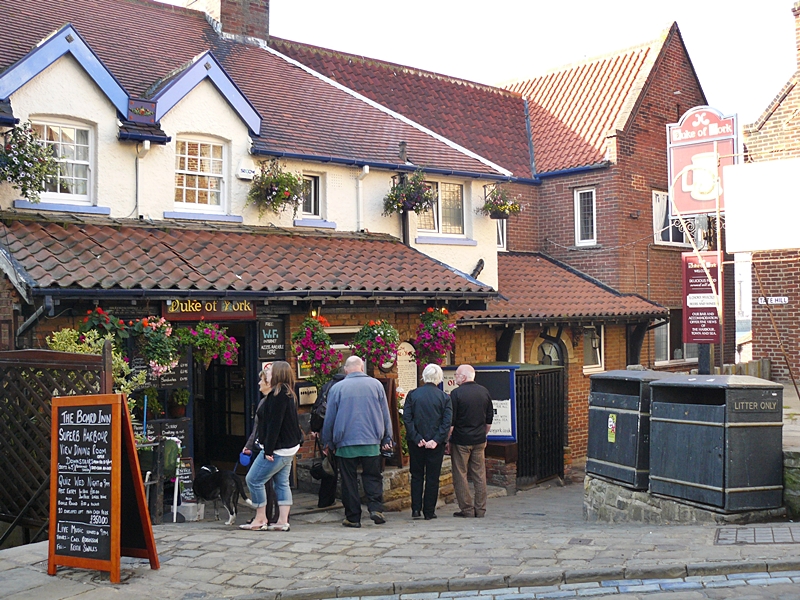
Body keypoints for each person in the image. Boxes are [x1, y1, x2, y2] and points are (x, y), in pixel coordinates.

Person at [321, 355, 393, 528]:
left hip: (346, 443)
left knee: (349, 481)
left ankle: (353, 517)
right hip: (372, 442)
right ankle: (376, 508)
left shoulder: (337, 388)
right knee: (373, 476)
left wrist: (328, 441)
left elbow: (329, 418)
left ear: (346, 370)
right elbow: (385, 414)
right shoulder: (376, 385)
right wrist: (387, 437)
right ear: (362, 368)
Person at [241, 361, 303, 531]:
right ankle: (282, 522)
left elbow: (275, 424)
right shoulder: (286, 392)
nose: (266, 375)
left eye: (269, 372)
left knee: (253, 480)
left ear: (278, 375)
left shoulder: (279, 394)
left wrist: (268, 449)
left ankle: (260, 518)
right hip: (287, 447)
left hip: (278, 448)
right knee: (281, 483)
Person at [403, 363, 452, 520]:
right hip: (435, 444)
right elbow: (446, 422)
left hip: (416, 442)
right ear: (439, 378)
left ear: (423, 376)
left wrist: (417, 437)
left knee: (416, 475)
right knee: (432, 477)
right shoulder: (444, 397)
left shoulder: (412, 395)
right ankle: (429, 511)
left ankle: (416, 509)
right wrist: (436, 440)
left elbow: (407, 419)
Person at [448, 364, 493, 518]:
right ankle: (480, 509)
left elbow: (451, 423)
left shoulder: (456, 394)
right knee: (479, 474)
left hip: (461, 440)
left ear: (464, 377)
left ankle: (467, 509)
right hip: (480, 439)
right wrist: (483, 434)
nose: (455, 377)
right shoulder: (484, 392)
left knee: (460, 474)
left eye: (457, 375)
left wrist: (448, 440)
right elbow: (489, 420)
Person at [241, 363, 278, 524]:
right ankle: (270, 516)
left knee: (259, 481)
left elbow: (269, 427)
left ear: (269, 383)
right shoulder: (265, 401)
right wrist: (249, 446)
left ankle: (266, 516)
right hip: (264, 446)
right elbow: (257, 428)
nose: (258, 383)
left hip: (269, 448)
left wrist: (268, 448)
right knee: (269, 483)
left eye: (261, 380)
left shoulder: (271, 402)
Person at [311, 367, 346, 508]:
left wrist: (315, 428)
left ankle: (325, 500)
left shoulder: (327, 386)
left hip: (327, 430)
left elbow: (318, 409)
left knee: (329, 466)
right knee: (346, 469)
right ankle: (346, 501)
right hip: (345, 432)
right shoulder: (346, 387)